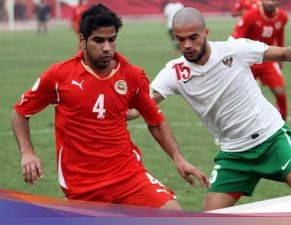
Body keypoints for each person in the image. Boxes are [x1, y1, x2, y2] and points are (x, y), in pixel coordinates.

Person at [12, 4, 209, 210]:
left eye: (112, 39)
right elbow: (20, 113)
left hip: (128, 176)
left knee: (173, 213)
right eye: (98, 40)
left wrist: (179, 159)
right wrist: (28, 152)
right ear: (82, 40)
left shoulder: (132, 75)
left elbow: (155, 120)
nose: (107, 47)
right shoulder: (59, 75)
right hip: (82, 186)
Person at [128, 7, 291, 211]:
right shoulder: (175, 72)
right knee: (211, 215)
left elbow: (285, 53)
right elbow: (140, 107)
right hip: (234, 154)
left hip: (272, 139)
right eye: (180, 39)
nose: (187, 45)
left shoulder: (235, 50)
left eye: (193, 37)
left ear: (206, 33)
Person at [231, 0, 289, 120]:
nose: (270, 3)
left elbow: (280, 37)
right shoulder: (250, 15)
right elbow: (236, 38)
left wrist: (281, 59)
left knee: (281, 93)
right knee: (239, 98)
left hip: (268, 61)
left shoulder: (283, 17)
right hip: (249, 62)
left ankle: (282, 125)